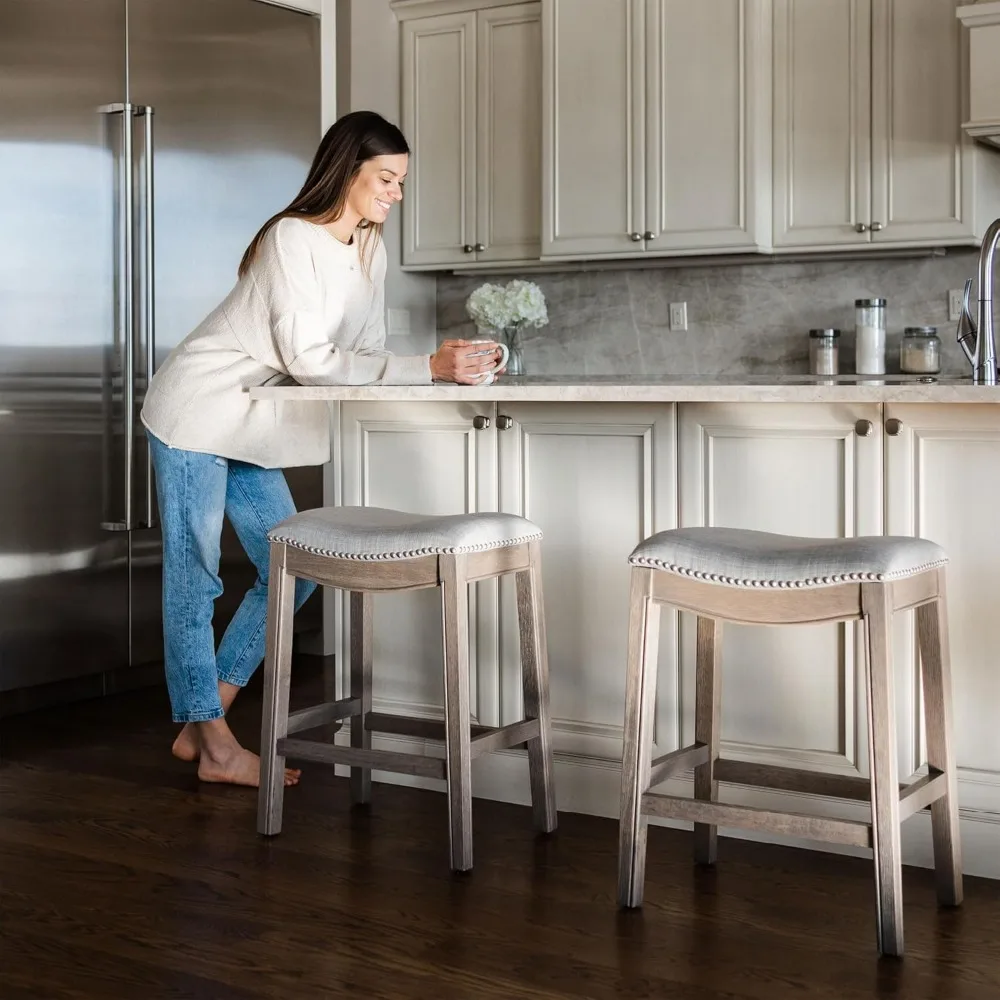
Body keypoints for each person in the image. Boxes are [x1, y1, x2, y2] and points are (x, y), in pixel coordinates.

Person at [141, 110, 501, 788]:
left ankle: (203, 717)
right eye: (385, 178)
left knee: (297, 568)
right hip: (198, 411)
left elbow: (360, 355)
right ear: (347, 173)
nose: (396, 193)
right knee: (196, 580)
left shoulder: (371, 249)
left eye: (400, 181)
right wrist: (426, 366)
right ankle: (217, 749)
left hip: (255, 424)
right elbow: (311, 359)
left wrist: (438, 365)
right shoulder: (290, 239)